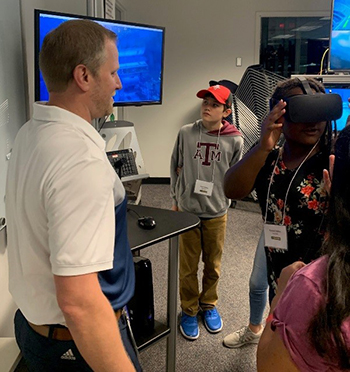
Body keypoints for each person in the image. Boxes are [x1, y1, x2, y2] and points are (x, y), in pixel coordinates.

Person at [5, 20, 141, 371]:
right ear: (84, 76)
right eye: (112, 72)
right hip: (76, 340)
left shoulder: (28, 134)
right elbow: (79, 303)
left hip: (32, 329)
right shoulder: (80, 162)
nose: (118, 83)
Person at [222, 77, 330, 348]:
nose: (313, 122)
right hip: (277, 261)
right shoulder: (270, 157)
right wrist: (263, 146)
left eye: (320, 112)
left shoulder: (334, 158)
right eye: (303, 112)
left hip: (320, 275)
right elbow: (231, 189)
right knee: (281, 324)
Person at [257, 125, 350, 371]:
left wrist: (279, 300)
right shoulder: (272, 156)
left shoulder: (316, 288)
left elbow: (269, 366)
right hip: (276, 245)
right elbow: (233, 187)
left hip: (306, 266)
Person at [170, 84, 243, 340]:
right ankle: (188, 310)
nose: (207, 108)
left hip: (216, 212)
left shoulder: (235, 139)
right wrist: (176, 199)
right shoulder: (186, 133)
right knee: (188, 266)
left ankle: (208, 304)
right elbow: (175, 165)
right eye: (205, 103)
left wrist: (226, 201)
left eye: (214, 105)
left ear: (226, 111)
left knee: (213, 264)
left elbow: (235, 175)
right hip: (188, 210)